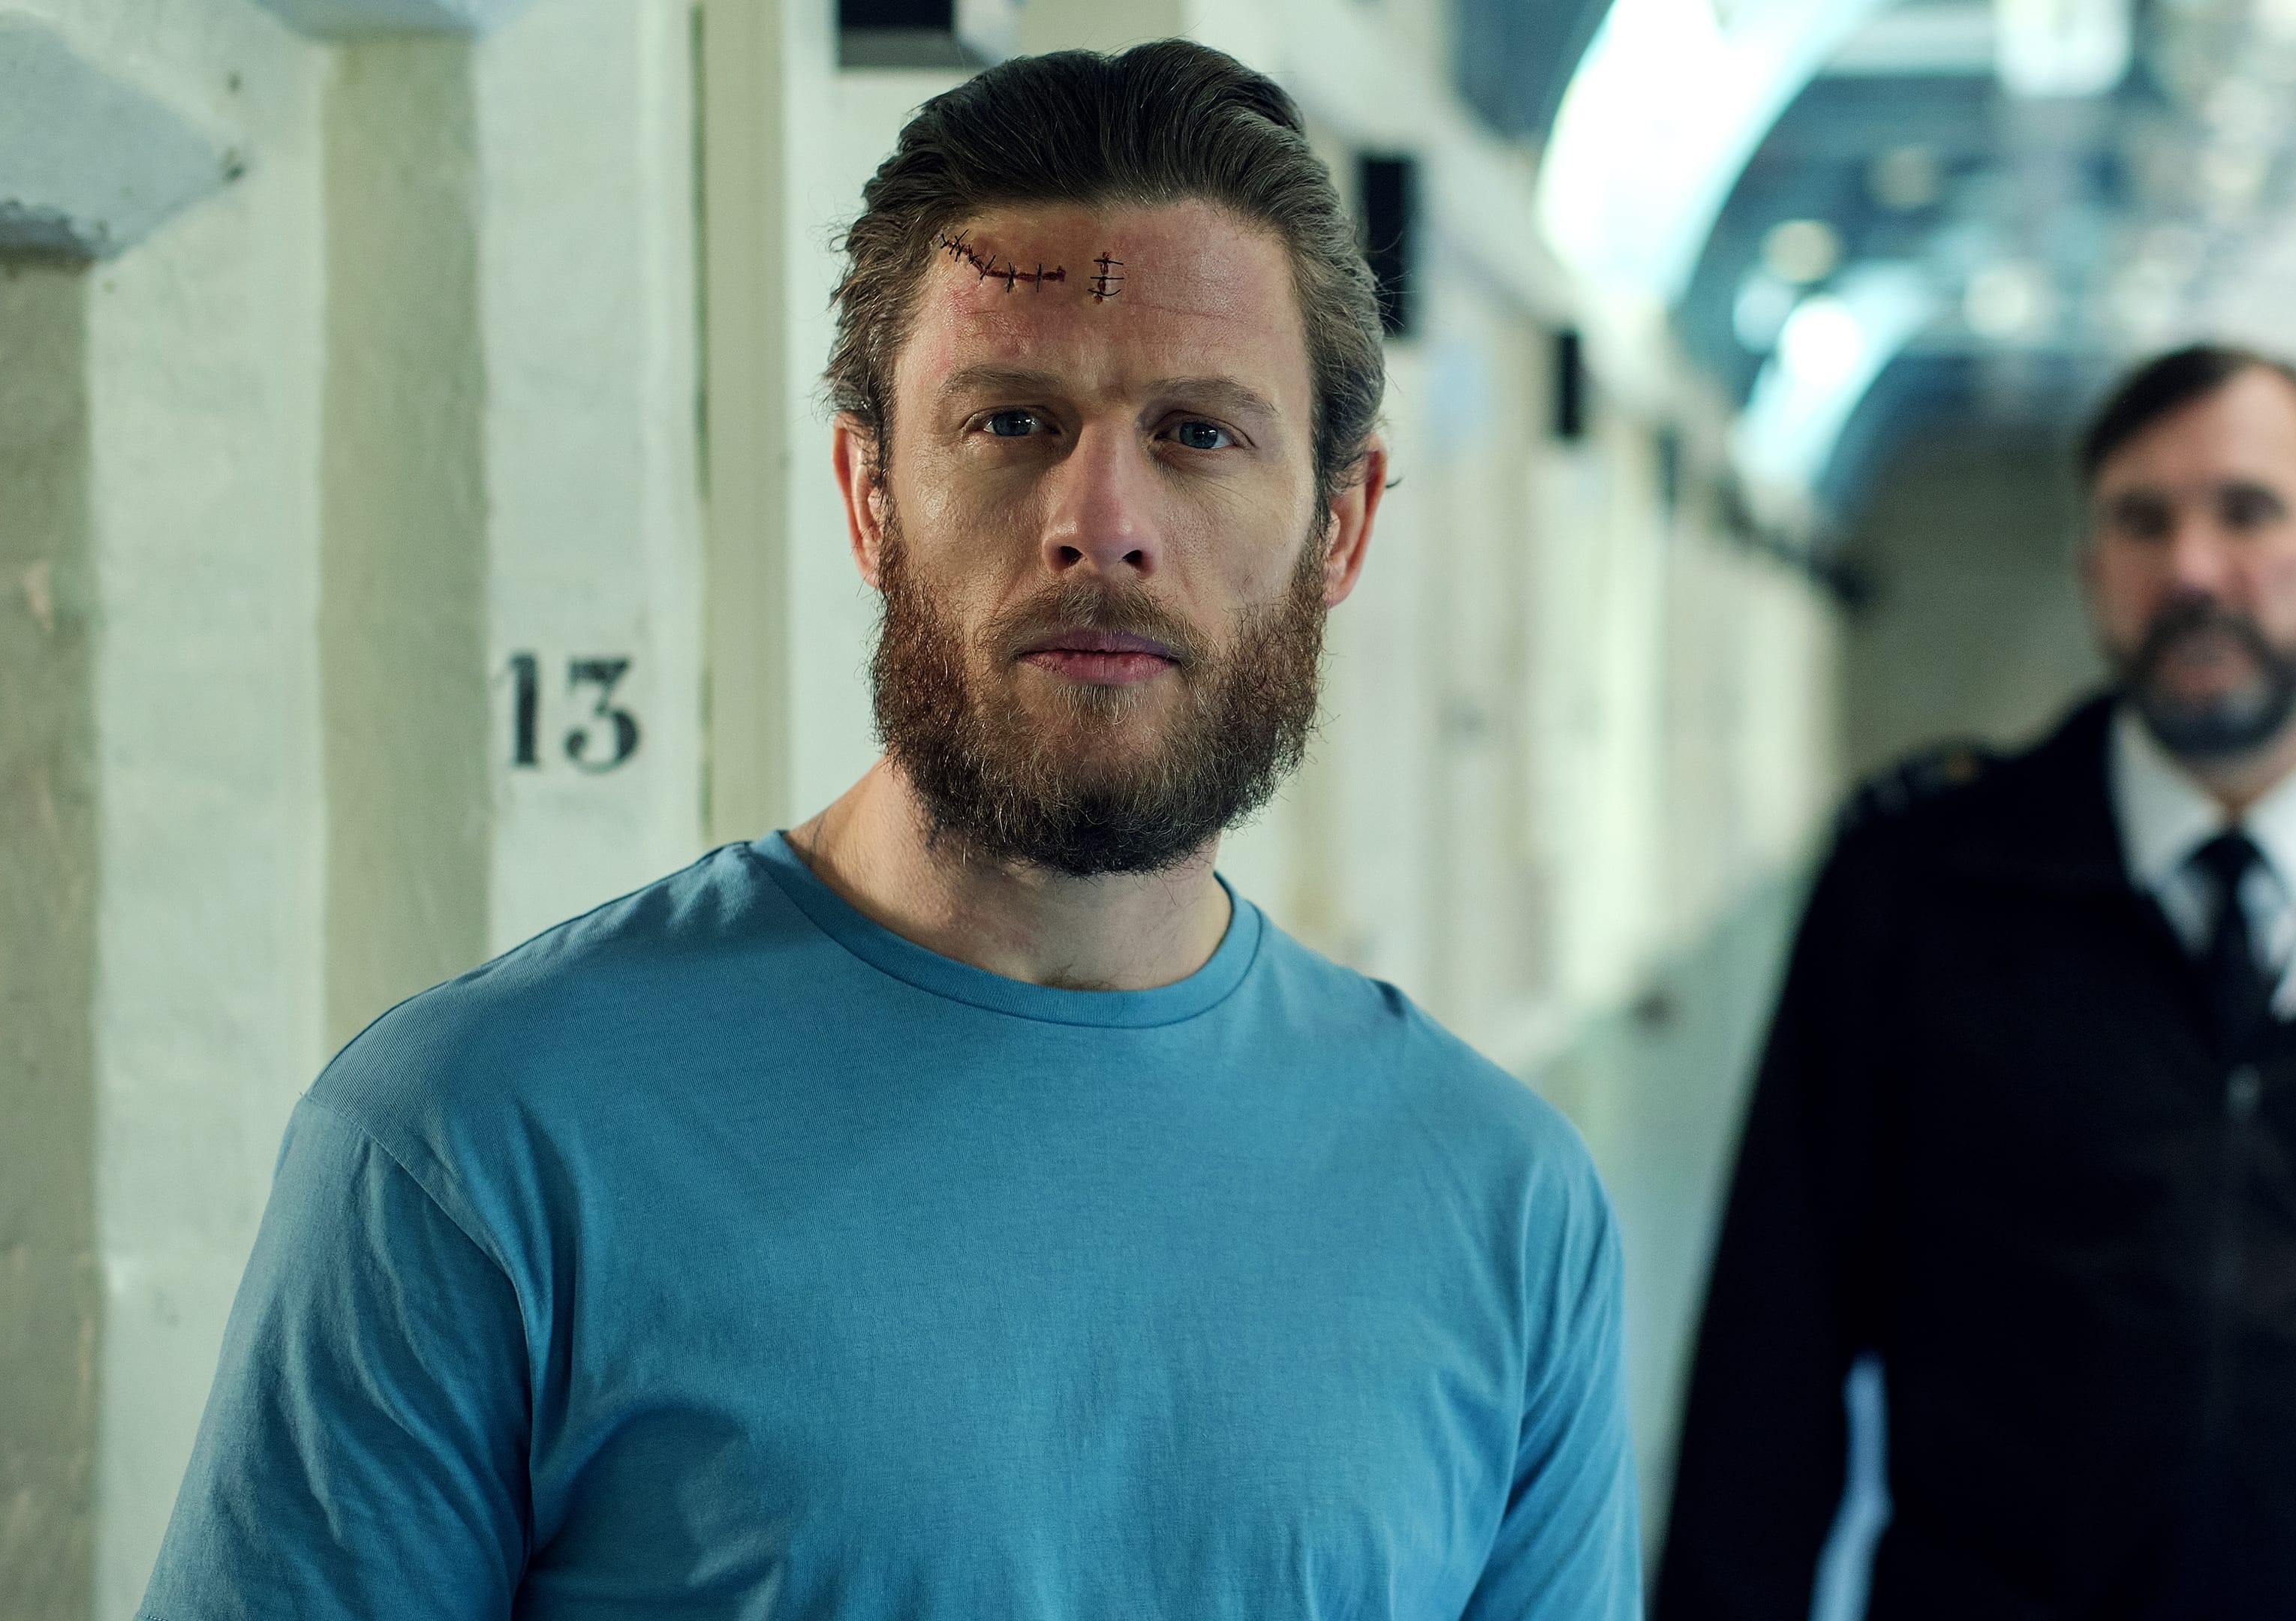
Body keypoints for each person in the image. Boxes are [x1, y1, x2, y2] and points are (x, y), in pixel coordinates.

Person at [140, 42, 1637, 1620]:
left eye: (1199, 433)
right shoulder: (477, 1148)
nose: (1100, 524)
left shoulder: (1504, 1211)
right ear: (867, 495)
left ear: (1341, 525)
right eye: (1012, 421)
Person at [1656, 345, 2296, 1620]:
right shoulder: (1921, 906)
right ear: (2090, 565)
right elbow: (1769, 1365)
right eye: (2143, 520)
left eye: (2249, 513)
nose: (2195, 570)